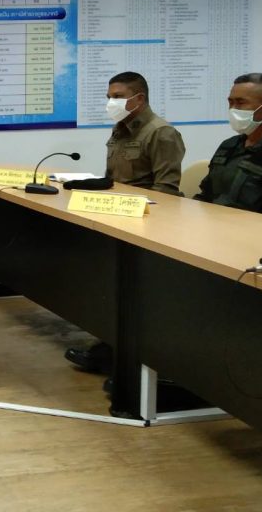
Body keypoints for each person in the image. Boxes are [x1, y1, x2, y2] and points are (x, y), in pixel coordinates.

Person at [66, 71, 186, 373]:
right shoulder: (120, 129)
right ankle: (110, 343)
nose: (111, 102)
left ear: (139, 98)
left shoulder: (161, 133)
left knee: (129, 291)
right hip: (117, 217)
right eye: (109, 97)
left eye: (118, 97)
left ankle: (122, 353)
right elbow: (114, 180)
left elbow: (166, 192)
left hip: (145, 225)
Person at [195, 72, 262, 219]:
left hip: (250, 231)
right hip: (214, 224)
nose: (233, 109)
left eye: (240, 103)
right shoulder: (229, 146)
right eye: (230, 102)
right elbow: (206, 195)